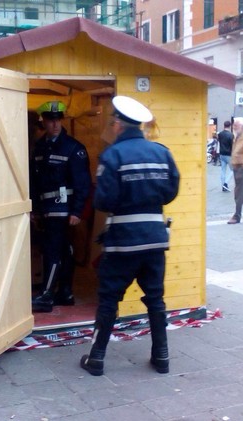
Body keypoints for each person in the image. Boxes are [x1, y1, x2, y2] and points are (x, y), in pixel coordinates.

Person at [80, 96, 179, 376]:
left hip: (123, 242)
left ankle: (97, 358)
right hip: (155, 239)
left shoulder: (113, 155)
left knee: (110, 299)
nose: (112, 127)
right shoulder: (162, 152)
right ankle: (162, 357)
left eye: (113, 122)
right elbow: (171, 191)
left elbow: (103, 200)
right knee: (155, 298)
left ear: (119, 124)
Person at [30, 101, 91, 313]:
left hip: (64, 210)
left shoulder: (73, 148)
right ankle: (65, 292)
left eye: (58, 120)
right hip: (46, 209)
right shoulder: (39, 148)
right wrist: (35, 208)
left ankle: (47, 295)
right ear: (43, 122)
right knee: (63, 250)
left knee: (52, 250)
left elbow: (83, 183)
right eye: (50, 120)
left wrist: (77, 211)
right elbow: (34, 182)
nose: (55, 125)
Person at [217, 121, 234, 192]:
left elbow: (219, 142)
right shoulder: (231, 135)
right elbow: (232, 146)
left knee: (223, 170)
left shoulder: (220, 134)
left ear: (224, 125)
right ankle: (225, 183)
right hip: (229, 155)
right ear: (230, 126)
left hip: (222, 154)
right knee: (233, 170)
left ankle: (223, 186)